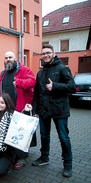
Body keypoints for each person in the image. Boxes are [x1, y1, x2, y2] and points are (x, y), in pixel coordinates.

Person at [32, 44, 76, 178]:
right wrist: (35, 110)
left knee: (63, 137)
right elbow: (37, 94)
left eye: (48, 53)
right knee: (44, 136)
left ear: (54, 54)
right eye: (43, 53)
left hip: (59, 110)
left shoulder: (62, 68)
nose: (45, 55)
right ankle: (44, 157)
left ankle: (67, 164)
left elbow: (72, 87)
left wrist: (55, 86)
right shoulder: (40, 72)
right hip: (44, 110)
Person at [0, 51, 36, 169]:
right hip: (7, 108)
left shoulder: (24, 70)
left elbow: (32, 81)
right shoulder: (3, 73)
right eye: (6, 58)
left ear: (15, 59)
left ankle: (22, 157)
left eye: (10, 57)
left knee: (22, 133)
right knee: (11, 132)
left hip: (20, 106)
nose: (8, 59)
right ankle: (11, 153)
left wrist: (19, 82)